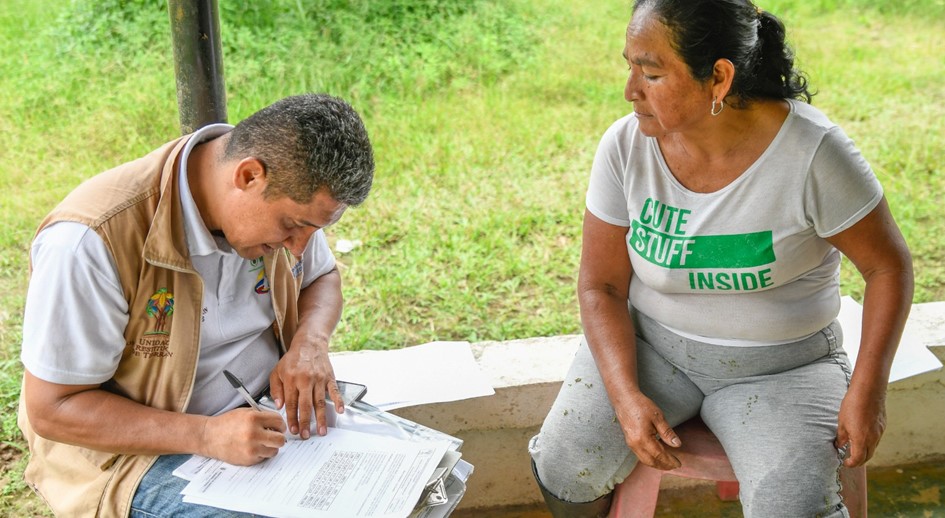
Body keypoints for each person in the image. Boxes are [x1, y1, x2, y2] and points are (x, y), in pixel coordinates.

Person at [528, 1, 914, 516]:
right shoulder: (626, 146)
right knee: (564, 465)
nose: (630, 90)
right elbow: (601, 287)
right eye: (629, 67)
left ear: (719, 78)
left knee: (794, 506)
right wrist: (624, 397)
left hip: (783, 369)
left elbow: (888, 268)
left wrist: (869, 392)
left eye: (652, 73)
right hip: (654, 351)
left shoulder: (811, 155)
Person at [17, 93, 375, 517]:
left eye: (313, 231)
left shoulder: (281, 201)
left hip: (264, 417)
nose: (299, 248)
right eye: (295, 226)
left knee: (413, 484)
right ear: (248, 176)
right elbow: (53, 409)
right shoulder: (89, 241)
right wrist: (205, 436)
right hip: (138, 456)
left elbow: (321, 278)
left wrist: (310, 343)